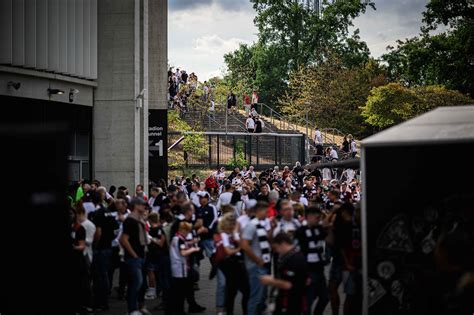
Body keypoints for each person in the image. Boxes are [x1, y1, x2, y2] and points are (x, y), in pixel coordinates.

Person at [260, 233, 308, 315]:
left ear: (283, 244)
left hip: (289, 304)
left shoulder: (293, 259)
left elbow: (289, 284)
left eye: (276, 248)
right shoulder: (297, 255)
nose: (277, 252)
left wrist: (271, 281)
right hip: (294, 302)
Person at [295, 207, 331, 315]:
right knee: (308, 301)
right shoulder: (301, 231)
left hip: (319, 269)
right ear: (309, 216)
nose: (318, 219)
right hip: (308, 270)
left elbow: (327, 232)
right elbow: (299, 255)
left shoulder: (319, 229)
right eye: (316, 217)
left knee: (325, 297)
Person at [241, 201, 273, 315]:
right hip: (256, 266)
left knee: (259, 297)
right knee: (255, 298)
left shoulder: (260, 224)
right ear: (259, 211)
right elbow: (244, 245)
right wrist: (257, 260)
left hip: (262, 265)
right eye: (265, 211)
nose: (267, 214)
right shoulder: (252, 225)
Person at [119, 198, 150, 315]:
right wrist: (134, 254)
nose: (145, 207)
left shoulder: (139, 219)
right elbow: (123, 239)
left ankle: (141, 306)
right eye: (143, 205)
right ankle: (132, 310)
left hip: (142, 255)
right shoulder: (130, 220)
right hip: (134, 257)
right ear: (136, 206)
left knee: (141, 284)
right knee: (136, 283)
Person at [216, 213, 250, 315]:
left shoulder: (233, 234)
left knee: (237, 291)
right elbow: (228, 251)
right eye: (232, 223)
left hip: (236, 264)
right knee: (234, 291)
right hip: (230, 265)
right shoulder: (224, 235)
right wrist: (240, 248)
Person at [169, 221, 201, 315]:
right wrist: (193, 249)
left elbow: (184, 244)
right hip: (180, 268)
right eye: (187, 231)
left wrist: (191, 243)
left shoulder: (177, 238)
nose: (188, 233)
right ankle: (179, 310)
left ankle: (178, 309)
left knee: (180, 291)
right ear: (182, 230)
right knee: (180, 292)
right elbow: (183, 253)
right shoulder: (179, 239)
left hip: (178, 268)